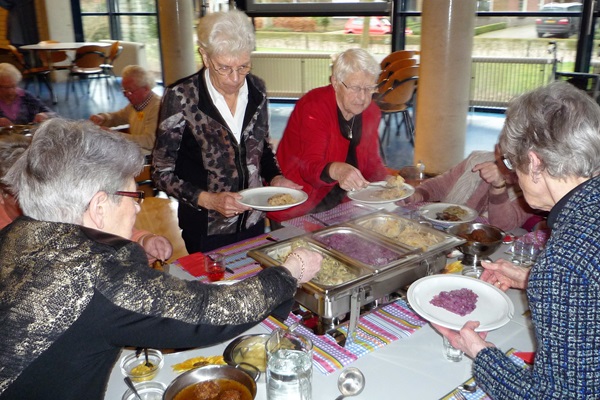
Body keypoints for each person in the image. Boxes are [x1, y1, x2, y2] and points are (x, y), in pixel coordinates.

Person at [0, 118, 322, 400]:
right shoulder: (92, 273)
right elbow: (212, 311)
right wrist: (290, 271)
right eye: (133, 195)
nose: (138, 207)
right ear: (99, 208)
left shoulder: (16, 234)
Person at [434, 81, 600, 398]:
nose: (513, 176)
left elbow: (556, 396)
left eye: (512, 163)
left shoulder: (564, 266)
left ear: (535, 163)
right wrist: (532, 278)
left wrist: (479, 352)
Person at [152, 10, 300, 253]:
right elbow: (161, 173)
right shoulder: (181, 97)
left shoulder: (257, 89)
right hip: (206, 227)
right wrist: (209, 200)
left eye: (243, 66)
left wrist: (276, 178)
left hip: (253, 220)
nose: (235, 79)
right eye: (224, 67)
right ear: (205, 56)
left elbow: (262, 149)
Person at [0, 133, 173, 265]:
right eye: (22, 195)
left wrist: (144, 241)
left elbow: (104, 230)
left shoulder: (59, 207)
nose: (36, 201)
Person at [268, 48, 392, 223]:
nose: (363, 97)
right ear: (335, 82)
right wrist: (338, 170)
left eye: (369, 88)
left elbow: (371, 162)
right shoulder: (314, 106)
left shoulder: (371, 112)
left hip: (341, 204)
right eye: (355, 88)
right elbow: (309, 167)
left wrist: (389, 182)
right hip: (299, 203)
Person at [403, 150, 535, 231]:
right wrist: (418, 194)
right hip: (441, 231)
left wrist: (498, 186)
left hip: (482, 249)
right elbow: (441, 185)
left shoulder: (534, 186)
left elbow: (503, 225)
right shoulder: (477, 159)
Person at [89, 65, 161, 155]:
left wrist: (116, 135)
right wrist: (103, 118)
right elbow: (119, 117)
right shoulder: (136, 104)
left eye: (130, 91)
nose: (126, 95)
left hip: (150, 157)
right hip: (137, 152)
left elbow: (150, 142)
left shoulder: (157, 107)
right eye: (124, 90)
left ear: (146, 88)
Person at [0, 63, 53, 127]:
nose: (10, 91)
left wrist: (45, 115)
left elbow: (53, 114)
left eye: (13, 86)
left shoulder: (25, 96)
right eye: (6, 87)